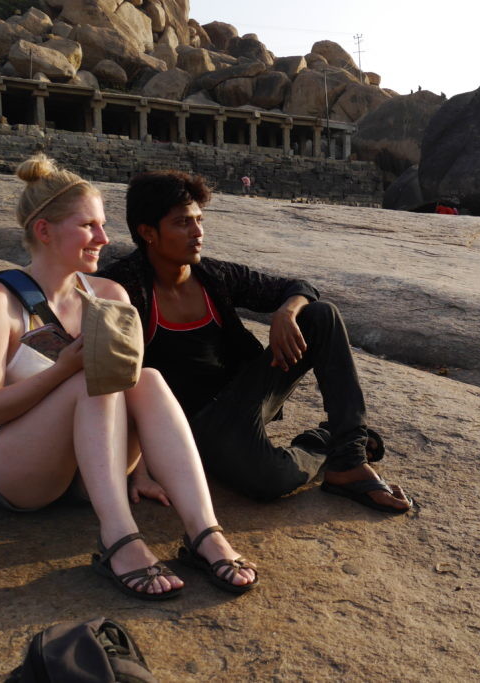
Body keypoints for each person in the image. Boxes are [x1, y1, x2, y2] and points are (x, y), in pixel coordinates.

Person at [0, 156, 257, 599]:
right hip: (10, 467)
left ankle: (203, 532)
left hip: (88, 473)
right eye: (88, 227)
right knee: (89, 378)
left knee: (148, 378)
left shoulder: (108, 295)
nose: (104, 238)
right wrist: (64, 369)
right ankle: (118, 538)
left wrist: (140, 470)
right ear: (44, 231)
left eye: (102, 225)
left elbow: (129, 392)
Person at [100, 171, 412, 513]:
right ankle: (324, 442)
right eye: (182, 223)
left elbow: (298, 286)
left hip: (244, 401)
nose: (198, 232)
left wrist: (286, 312)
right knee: (270, 480)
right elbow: (111, 384)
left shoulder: (213, 276)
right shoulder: (122, 288)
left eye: (199, 220)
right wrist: (138, 468)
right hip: (192, 428)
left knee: (321, 315)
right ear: (148, 233)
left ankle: (349, 459)